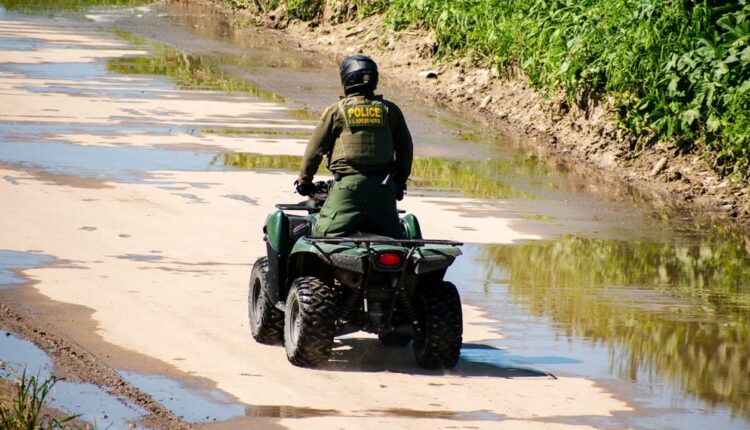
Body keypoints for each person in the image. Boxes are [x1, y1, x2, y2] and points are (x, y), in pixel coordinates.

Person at [295, 55, 413, 238]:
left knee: (321, 236)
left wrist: (305, 182)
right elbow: (405, 151)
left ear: (347, 79)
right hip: (383, 190)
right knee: (396, 240)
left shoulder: (337, 110)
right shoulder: (390, 110)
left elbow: (314, 151)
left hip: (347, 189)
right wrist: (399, 183)